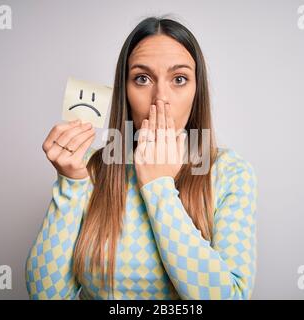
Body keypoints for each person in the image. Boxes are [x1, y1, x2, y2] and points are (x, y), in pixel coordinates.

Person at [25, 16, 258, 300]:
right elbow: (47, 296)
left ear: (197, 91)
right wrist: (70, 184)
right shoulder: (91, 169)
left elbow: (231, 297)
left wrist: (159, 186)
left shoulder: (230, 172)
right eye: (142, 79)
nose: (161, 98)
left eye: (179, 79)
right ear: (125, 91)